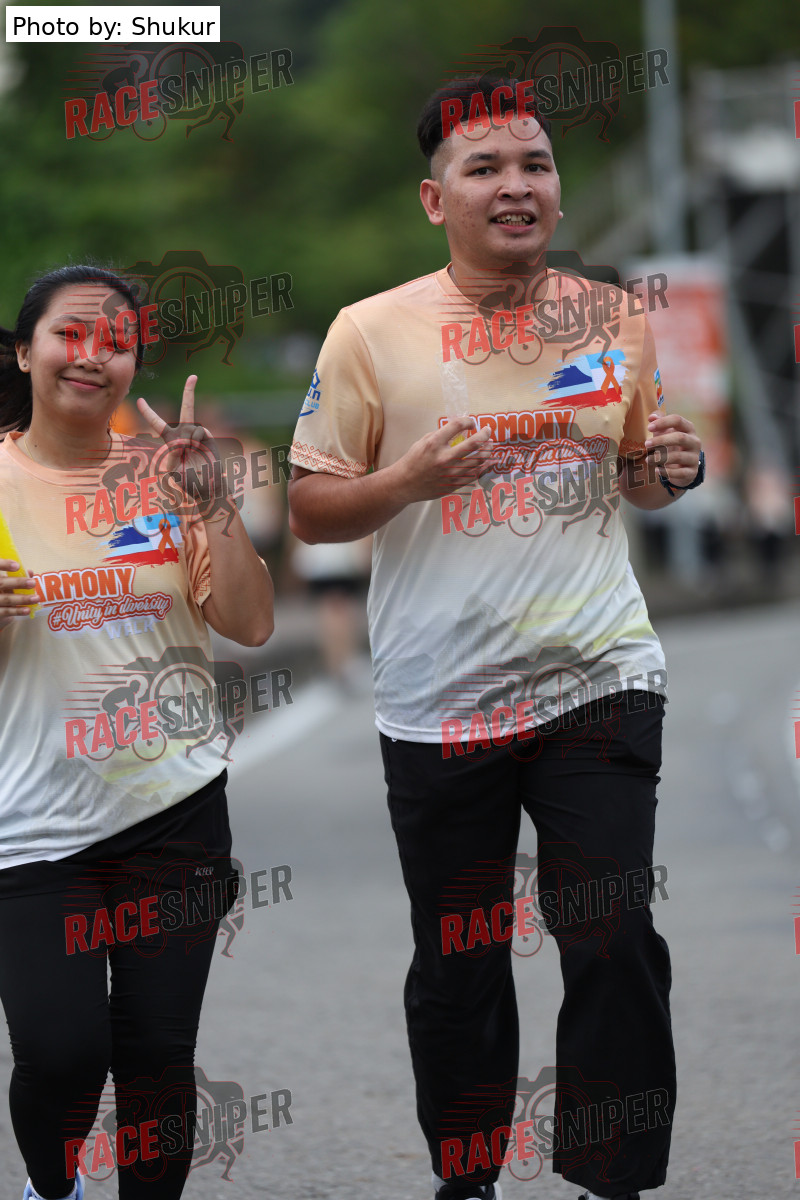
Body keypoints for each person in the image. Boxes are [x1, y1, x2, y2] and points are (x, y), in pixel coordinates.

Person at [288, 77, 704, 1200]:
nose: (515, 185)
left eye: (535, 164)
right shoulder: (370, 331)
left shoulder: (614, 318)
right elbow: (311, 510)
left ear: (556, 190)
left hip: (599, 675)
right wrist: (405, 481)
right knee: (460, 958)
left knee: (612, 933)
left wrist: (671, 470)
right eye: (484, 168)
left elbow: (637, 473)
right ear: (436, 200)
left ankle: (613, 1177)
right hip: (442, 697)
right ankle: (467, 1176)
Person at [0, 264, 274, 1200]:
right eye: (69, 335)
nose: (92, 356)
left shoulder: (165, 478)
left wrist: (213, 502)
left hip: (174, 808)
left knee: (157, 1056)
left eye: (116, 342)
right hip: (34, 822)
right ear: (25, 352)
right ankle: (53, 1185)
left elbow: (250, 623)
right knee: (60, 1053)